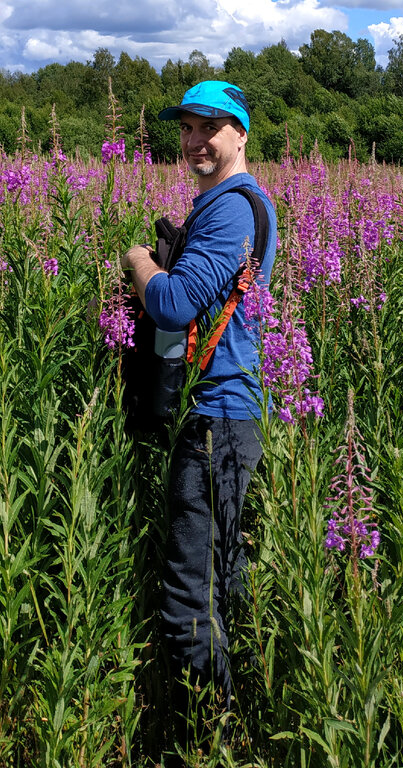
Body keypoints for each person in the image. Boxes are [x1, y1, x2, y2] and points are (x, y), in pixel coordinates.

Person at [121, 79, 277, 726]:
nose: (193, 141)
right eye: (185, 128)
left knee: (190, 595)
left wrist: (140, 263)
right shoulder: (224, 204)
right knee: (224, 579)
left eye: (208, 127)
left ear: (240, 133)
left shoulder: (233, 208)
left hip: (217, 418)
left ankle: (207, 733)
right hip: (225, 416)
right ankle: (241, 723)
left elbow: (176, 303)